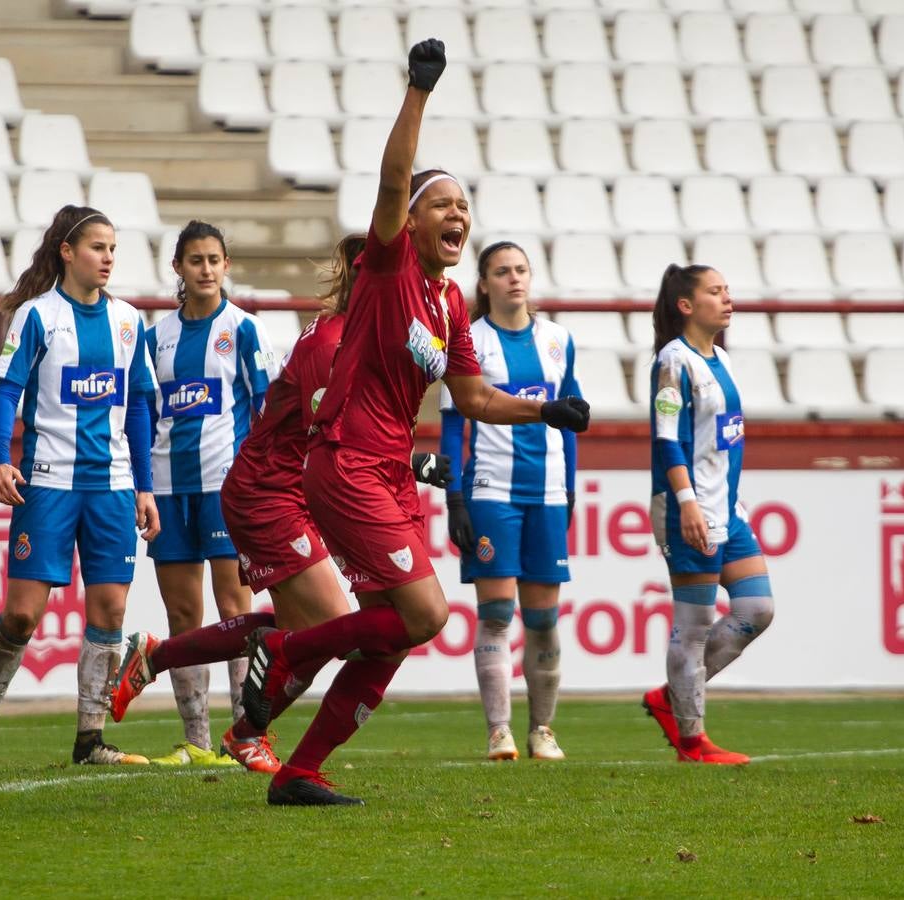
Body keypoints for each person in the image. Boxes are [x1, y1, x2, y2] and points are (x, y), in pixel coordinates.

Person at [239, 39, 591, 806]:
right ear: (410, 220)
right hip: (347, 464)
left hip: (389, 473)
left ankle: (298, 772)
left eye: (464, 206)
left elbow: (474, 399)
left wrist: (546, 411)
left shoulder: (450, 302)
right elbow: (394, 178)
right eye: (443, 204)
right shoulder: (390, 266)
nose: (458, 214)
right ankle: (286, 648)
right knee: (426, 613)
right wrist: (418, 92)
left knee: (392, 635)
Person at [108, 234, 453, 774]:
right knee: (328, 630)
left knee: (310, 632)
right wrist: (413, 462)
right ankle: (242, 727)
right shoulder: (330, 344)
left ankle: (167, 664)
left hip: (301, 489)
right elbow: (333, 431)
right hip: (269, 490)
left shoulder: (363, 339)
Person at [0, 205, 160, 767]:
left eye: (112, 249)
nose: (107, 258)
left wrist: (144, 486)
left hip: (111, 487)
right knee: (22, 614)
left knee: (110, 610)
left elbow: (138, 405)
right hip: (47, 484)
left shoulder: (128, 320)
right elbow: (7, 392)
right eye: (97, 247)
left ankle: (90, 740)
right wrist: (0, 460)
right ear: (67, 252)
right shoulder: (37, 316)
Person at [140, 220, 278, 766]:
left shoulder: (244, 330)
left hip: (226, 489)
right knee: (182, 614)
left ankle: (244, 734)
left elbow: (267, 410)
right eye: (195, 260)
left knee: (234, 610)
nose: (205, 269)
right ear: (178, 267)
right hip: (169, 490)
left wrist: (263, 480)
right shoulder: (154, 338)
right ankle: (197, 741)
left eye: (214, 260)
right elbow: (142, 416)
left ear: (226, 266)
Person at [440, 240, 584, 763]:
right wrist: (455, 498)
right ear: (484, 283)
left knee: (543, 619)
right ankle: (499, 731)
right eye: (502, 271)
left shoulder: (558, 340)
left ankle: (542, 729)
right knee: (498, 612)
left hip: (546, 492)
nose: (514, 279)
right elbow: (452, 427)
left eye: (521, 269)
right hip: (490, 490)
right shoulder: (468, 342)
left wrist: (570, 487)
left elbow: (570, 421)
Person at [642, 264, 774, 765]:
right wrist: (687, 502)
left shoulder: (721, 358)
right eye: (715, 292)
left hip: (727, 508)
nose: (727, 299)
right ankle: (693, 742)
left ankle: (671, 697)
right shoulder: (673, 362)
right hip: (690, 507)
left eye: (727, 290)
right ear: (686, 305)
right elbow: (667, 440)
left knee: (756, 609)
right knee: (693, 625)